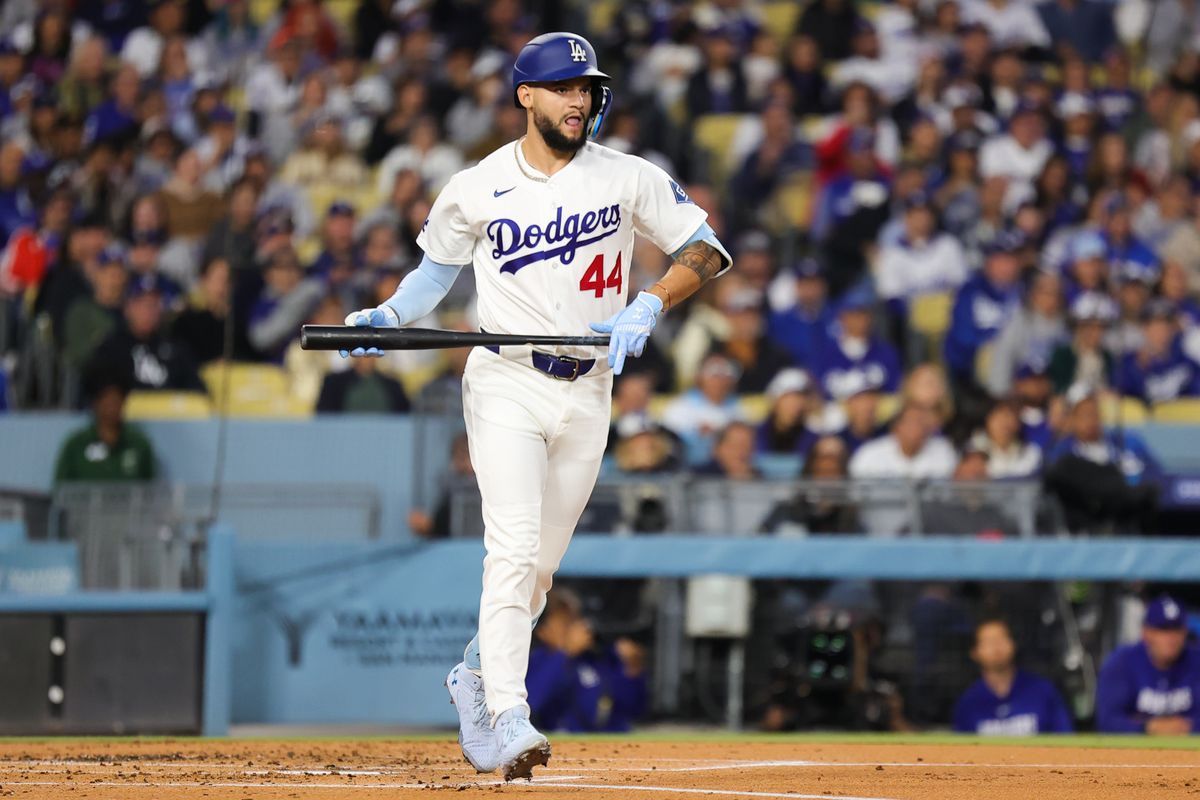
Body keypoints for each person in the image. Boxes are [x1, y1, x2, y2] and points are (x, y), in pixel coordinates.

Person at [342, 33, 731, 781]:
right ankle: (508, 716)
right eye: (563, 88)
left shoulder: (625, 176)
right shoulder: (478, 184)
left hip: (588, 387)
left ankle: (474, 675)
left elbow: (706, 249)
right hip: (506, 379)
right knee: (514, 550)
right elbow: (434, 276)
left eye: (586, 88)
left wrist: (648, 303)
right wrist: (390, 317)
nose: (578, 100)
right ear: (527, 96)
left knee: (540, 572)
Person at [526, 589, 648, 733]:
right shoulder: (536, 660)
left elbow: (634, 709)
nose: (574, 628)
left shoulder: (595, 658)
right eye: (565, 621)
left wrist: (632, 671)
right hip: (563, 741)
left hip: (611, 740)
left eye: (575, 619)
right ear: (543, 630)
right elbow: (533, 704)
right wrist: (564, 654)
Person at [1096, 596, 1200, 735]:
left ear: (1185, 631)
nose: (1171, 638)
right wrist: (1147, 727)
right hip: (1133, 753)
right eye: (1163, 629)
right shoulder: (1121, 663)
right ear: (1146, 632)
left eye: (1176, 629)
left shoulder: (1195, 661)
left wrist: (1188, 726)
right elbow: (1107, 720)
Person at [953, 618, 1074, 735]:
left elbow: (1065, 736)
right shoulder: (968, 702)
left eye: (1001, 639)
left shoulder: (1043, 690)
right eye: (988, 642)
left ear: (1013, 643)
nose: (996, 647)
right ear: (975, 652)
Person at [53, 367, 157, 483]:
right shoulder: (75, 446)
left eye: (116, 401)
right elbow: (61, 493)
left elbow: (150, 494)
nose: (111, 409)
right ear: (95, 403)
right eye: (106, 402)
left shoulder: (139, 445)